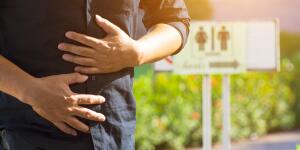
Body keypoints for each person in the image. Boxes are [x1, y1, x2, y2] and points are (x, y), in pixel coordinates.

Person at [0, 0, 190, 150]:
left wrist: (137, 52)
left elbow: (175, 19)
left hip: (114, 133)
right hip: (24, 132)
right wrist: (30, 91)